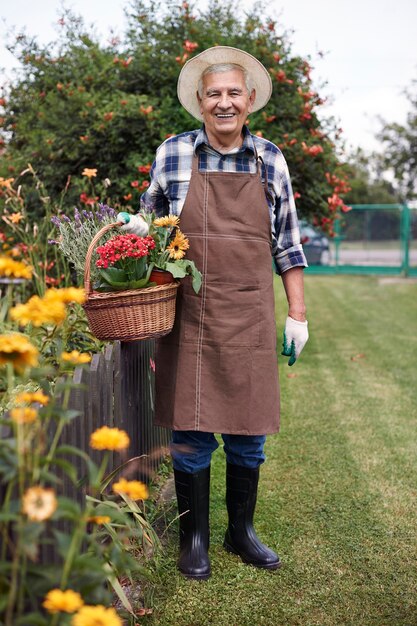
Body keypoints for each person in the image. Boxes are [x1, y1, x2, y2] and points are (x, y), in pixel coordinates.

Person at [117, 46, 309, 580]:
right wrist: (139, 233)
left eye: (233, 94)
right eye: (213, 94)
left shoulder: (270, 159)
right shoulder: (173, 154)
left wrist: (297, 314)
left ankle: (239, 531)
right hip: (191, 313)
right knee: (192, 430)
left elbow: (288, 245)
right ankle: (194, 537)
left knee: (249, 431)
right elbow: (152, 234)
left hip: (248, 313)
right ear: (200, 102)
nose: (224, 103)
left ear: (249, 101)